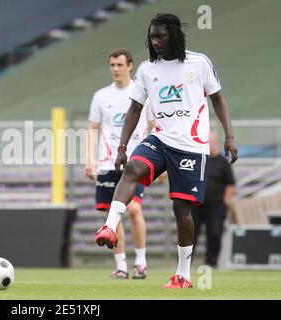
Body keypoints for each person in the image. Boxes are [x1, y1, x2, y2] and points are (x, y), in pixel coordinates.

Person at [94, 13, 238, 289]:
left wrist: (229, 137)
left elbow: (218, 98)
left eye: (160, 36)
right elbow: (135, 108)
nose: (155, 41)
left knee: (181, 207)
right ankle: (110, 227)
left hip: (191, 146)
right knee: (134, 167)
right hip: (160, 139)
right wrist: (123, 147)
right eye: (152, 37)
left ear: (174, 34)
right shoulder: (148, 69)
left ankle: (182, 274)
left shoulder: (199, 62)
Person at [86, 48, 155, 280]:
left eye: (119, 65)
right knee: (111, 216)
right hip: (107, 163)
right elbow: (92, 129)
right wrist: (89, 159)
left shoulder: (142, 92)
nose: (115, 69)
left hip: (136, 161)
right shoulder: (101, 96)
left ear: (130, 66)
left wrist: (160, 159)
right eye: (112, 65)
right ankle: (122, 266)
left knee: (134, 209)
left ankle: (142, 263)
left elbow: (154, 124)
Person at [192, 132, 235, 267]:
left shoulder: (222, 161)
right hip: (196, 203)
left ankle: (211, 262)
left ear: (215, 142)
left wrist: (226, 201)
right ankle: (185, 262)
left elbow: (230, 183)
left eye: (210, 142)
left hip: (216, 205)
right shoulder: (198, 158)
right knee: (190, 233)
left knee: (214, 233)